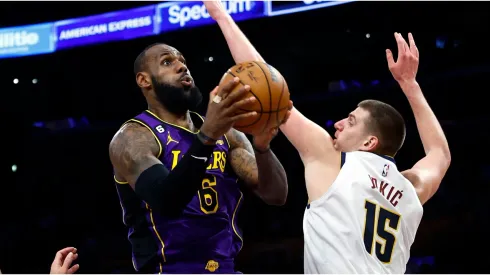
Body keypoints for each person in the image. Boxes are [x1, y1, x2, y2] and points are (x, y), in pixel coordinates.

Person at [108, 2, 291, 273]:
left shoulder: (228, 134)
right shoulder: (133, 138)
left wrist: (262, 148)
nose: (182, 67)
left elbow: (276, 195)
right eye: (168, 62)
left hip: (226, 268)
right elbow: (166, 201)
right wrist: (206, 136)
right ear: (144, 81)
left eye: (183, 60)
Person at [280, 33, 451, 273]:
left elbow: (273, 94)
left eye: (350, 121)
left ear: (369, 142)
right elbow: (440, 154)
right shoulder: (411, 188)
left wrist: (222, 17)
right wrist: (410, 85)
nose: (338, 123)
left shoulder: (335, 164)